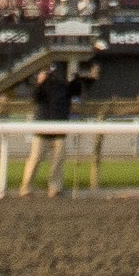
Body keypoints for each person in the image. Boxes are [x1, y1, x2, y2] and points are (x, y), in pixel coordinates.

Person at [21, 63, 96, 198]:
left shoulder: (64, 86)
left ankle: (54, 189)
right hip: (42, 130)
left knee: (57, 161)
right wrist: (40, 83)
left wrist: (83, 78)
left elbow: (79, 88)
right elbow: (35, 97)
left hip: (58, 131)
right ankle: (26, 187)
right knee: (35, 159)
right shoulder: (43, 87)